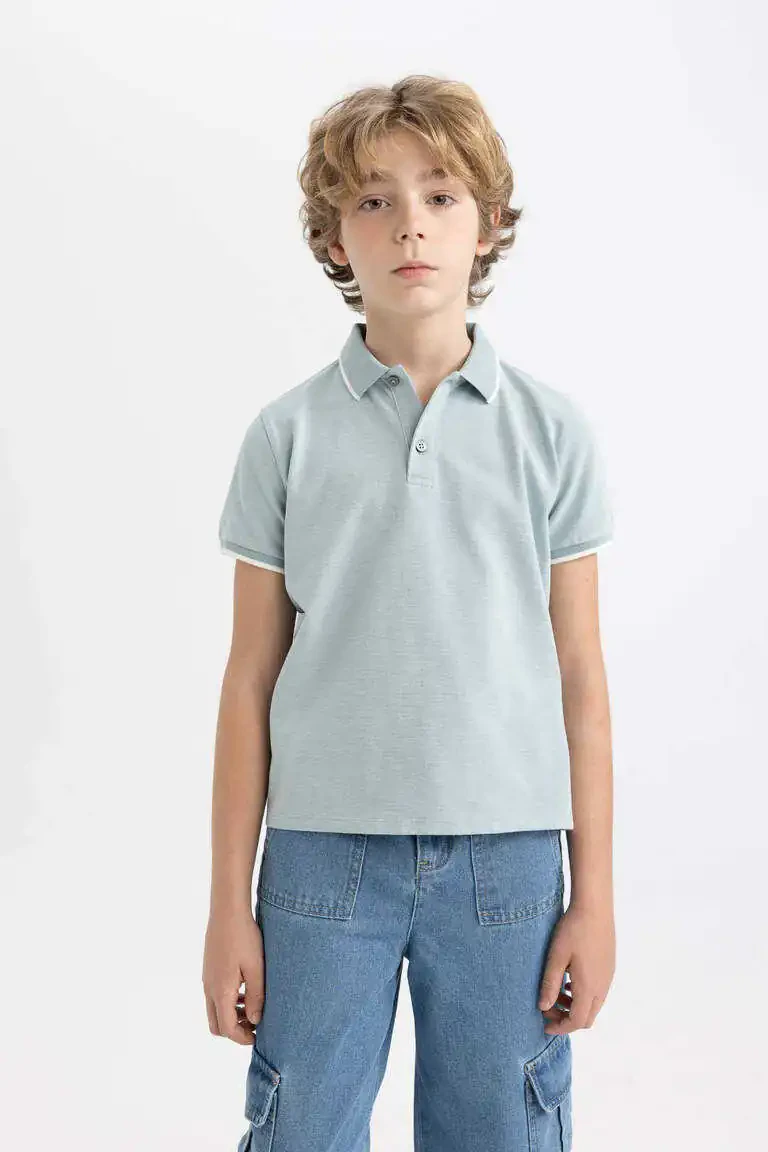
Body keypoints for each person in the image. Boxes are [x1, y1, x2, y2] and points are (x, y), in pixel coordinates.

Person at [203, 74, 616, 1152]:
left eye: (440, 196)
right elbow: (250, 678)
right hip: (320, 862)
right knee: (300, 1131)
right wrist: (228, 905)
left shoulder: (551, 433)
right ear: (333, 236)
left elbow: (580, 676)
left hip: (507, 864)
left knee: (503, 1131)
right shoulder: (287, 436)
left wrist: (596, 897)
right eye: (374, 201)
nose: (410, 227)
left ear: (488, 223)